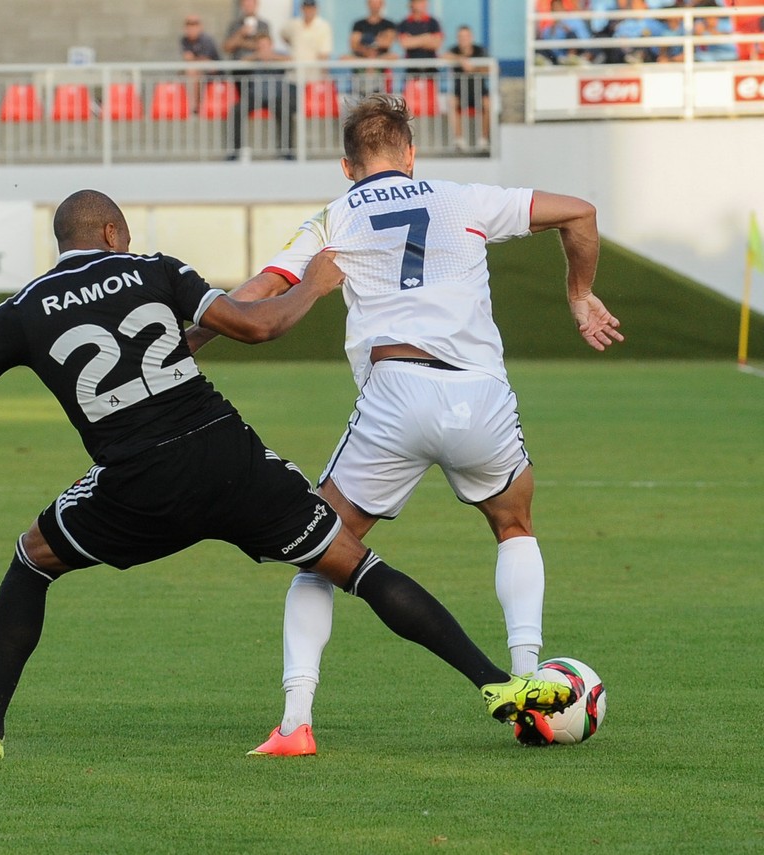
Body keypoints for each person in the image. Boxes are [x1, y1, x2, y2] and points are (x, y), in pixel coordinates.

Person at [0, 189, 577, 759]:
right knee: (354, 565)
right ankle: (496, 683)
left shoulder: (17, 312)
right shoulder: (155, 269)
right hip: (229, 459)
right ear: (113, 232)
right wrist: (315, 285)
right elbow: (258, 325)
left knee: (31, 558)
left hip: (136, 483)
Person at [188, 94, 623, 755]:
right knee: (513, 525)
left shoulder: (333, 218)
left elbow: (258, 292)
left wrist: (189, 341)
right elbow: (580, 213)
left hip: (396, 392)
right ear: (411, 155)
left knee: (319, 553)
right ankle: (529, 682)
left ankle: (295, 723)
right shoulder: (464, 198)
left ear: (347, 166)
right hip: (479, 394)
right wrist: (579, 293)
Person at [228, 32, 296, 161]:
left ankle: (287, 151)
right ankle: (235, 151)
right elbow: (239, 63)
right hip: (255, 96)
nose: (263, 48)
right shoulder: (253, 56)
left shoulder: (279, 54)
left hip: (276, 96)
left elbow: (291, 60)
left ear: (271, 45)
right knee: (236, 111)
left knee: (286, 112)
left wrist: (272, 57)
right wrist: (256, 56)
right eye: (260, 45)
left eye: (265, 45)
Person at [443, 25, 491, 149]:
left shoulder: (480, 51)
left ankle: (484, 139)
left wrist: (474, 68)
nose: (463, 39)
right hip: (460, 92)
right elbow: (444, 56)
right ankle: (459, 140)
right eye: (461, 36)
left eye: (466, 36)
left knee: (488, 104)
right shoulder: (454, 50)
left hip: (479, 91)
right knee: (451, 103)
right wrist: (461, 59)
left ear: (471, 37)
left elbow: (491, 67)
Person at [280, 0, 334, 80]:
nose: (309, 11)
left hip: (313, 76)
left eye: (311, 8)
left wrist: (324, 74)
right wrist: (292, 44)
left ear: (316, 9)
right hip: (294, 74)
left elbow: (324, 53)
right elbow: (283, 34)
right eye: (306, 8)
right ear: (302, 9)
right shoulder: (294, 24)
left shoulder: (323, 26)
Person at [180, 14, 220, 113]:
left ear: (200, 26)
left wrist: (194, 59)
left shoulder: (206, 39)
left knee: (192, 70)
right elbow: (187, 58)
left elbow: (206, 60)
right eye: (189, 24)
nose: (191, 28)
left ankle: (195, 107)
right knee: (188, 71)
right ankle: (191, 107)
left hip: (215, 74)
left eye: (195, 24)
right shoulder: (184, 40)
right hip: (199, 73)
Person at [396, 0, 443, 70]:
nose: (423, 4)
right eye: (420, 2)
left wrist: (412, 40)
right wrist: (427, 37)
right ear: (412, 4)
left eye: (424, 2)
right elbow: (404, 43)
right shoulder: (404, 23)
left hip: (431, 68)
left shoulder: (433, 22)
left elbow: (437, 44)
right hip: (411, 68)